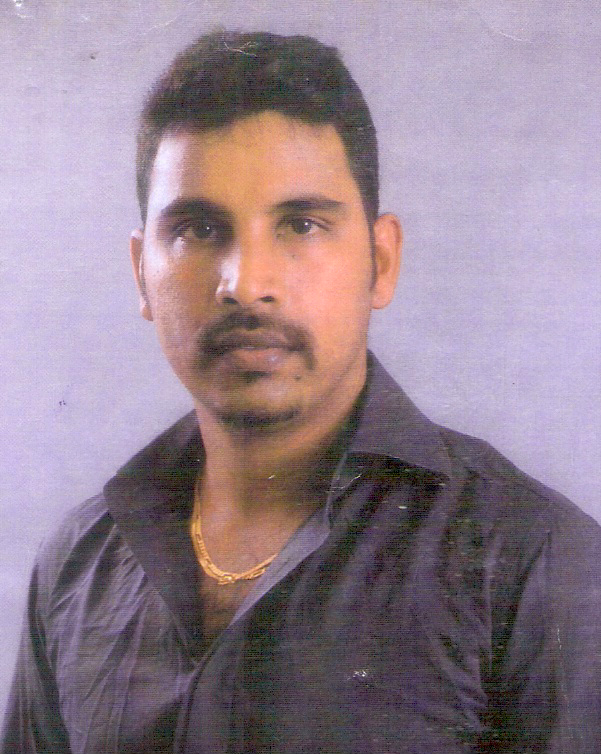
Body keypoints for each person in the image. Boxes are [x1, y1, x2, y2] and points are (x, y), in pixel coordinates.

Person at [3, 29, 601, 754]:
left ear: (381, 261)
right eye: (198, 228)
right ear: (141, 274)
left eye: (301, 224)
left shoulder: (534, 560)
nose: (246, 282)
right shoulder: (75, 563)